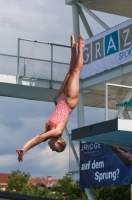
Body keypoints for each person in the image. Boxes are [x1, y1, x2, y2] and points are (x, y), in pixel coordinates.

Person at [16, 34, 85, 162]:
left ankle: (72, 48)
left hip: (61, 100)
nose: (51, 148)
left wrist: (24, 149)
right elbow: (39, 139)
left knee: (69, 72)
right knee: (75, 72)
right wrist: (25, 150)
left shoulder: (49, 131)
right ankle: (81, 47)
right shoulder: (57, 132)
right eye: (55, 149)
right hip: (69, 102)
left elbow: (37, 137)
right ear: (59, 143)